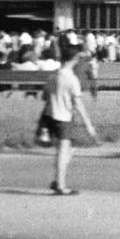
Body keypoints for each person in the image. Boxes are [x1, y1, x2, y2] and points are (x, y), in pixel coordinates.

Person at [40, 42, 98, 197]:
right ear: (74, 59)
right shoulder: (72, 79)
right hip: (64, 117)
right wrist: (88, 125)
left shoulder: (53, 76)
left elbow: (44, 96)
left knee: (66, 150)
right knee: (64, 151)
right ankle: (61, 184)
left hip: (50, 115)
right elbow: (78, 104)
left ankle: (58, 179)